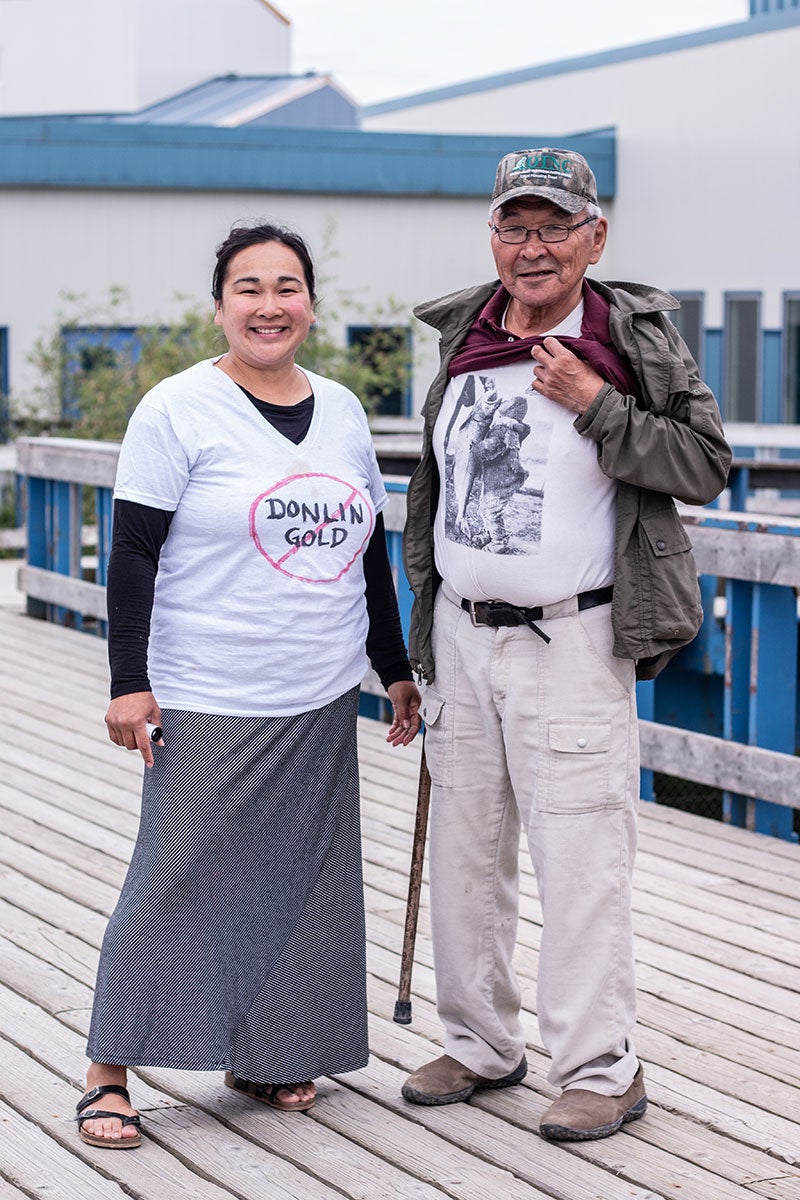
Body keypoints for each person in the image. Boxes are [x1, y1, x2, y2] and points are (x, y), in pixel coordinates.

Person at [400, 148, 731, 1141]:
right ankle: (479, 1042)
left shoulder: (630, 335)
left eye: (552, 226)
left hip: (572, 639)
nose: (531, 246)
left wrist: (597, 406)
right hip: (460, 635)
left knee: (580, 858)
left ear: (595, 235)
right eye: (513, 226)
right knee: (464, 854)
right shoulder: (464, 329)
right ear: (491, 238)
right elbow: (436, 486)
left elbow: (703, 463)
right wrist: (419, 635)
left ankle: (599, 1065)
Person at [75, 221, 421, 1149]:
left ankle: (268, 1054)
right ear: (218, 305)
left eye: (288, 287)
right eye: (249, 289)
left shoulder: (345, 411)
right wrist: (129, 682)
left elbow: (369, 559)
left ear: (311, 301)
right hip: (207, 687)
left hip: (316, 689)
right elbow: (133, 553)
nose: (270, 306)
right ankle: (110, 1069)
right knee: (175, 875)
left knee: (302, 881)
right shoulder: (177, 408)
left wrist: (393, 669)